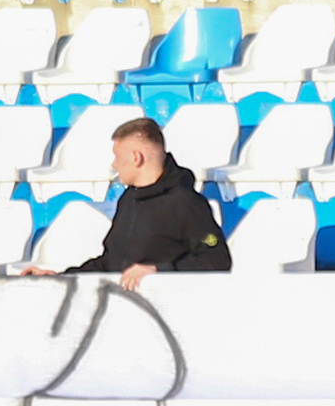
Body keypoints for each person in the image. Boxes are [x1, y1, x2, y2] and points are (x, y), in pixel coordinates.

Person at [34, 116, 232, 291]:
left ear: (136, 158)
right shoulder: (128, 200)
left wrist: (159, 271)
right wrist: (60, 278)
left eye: (118, 157)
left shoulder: (185, 202)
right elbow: (111, 263)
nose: (114, 164)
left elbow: (216, 258)